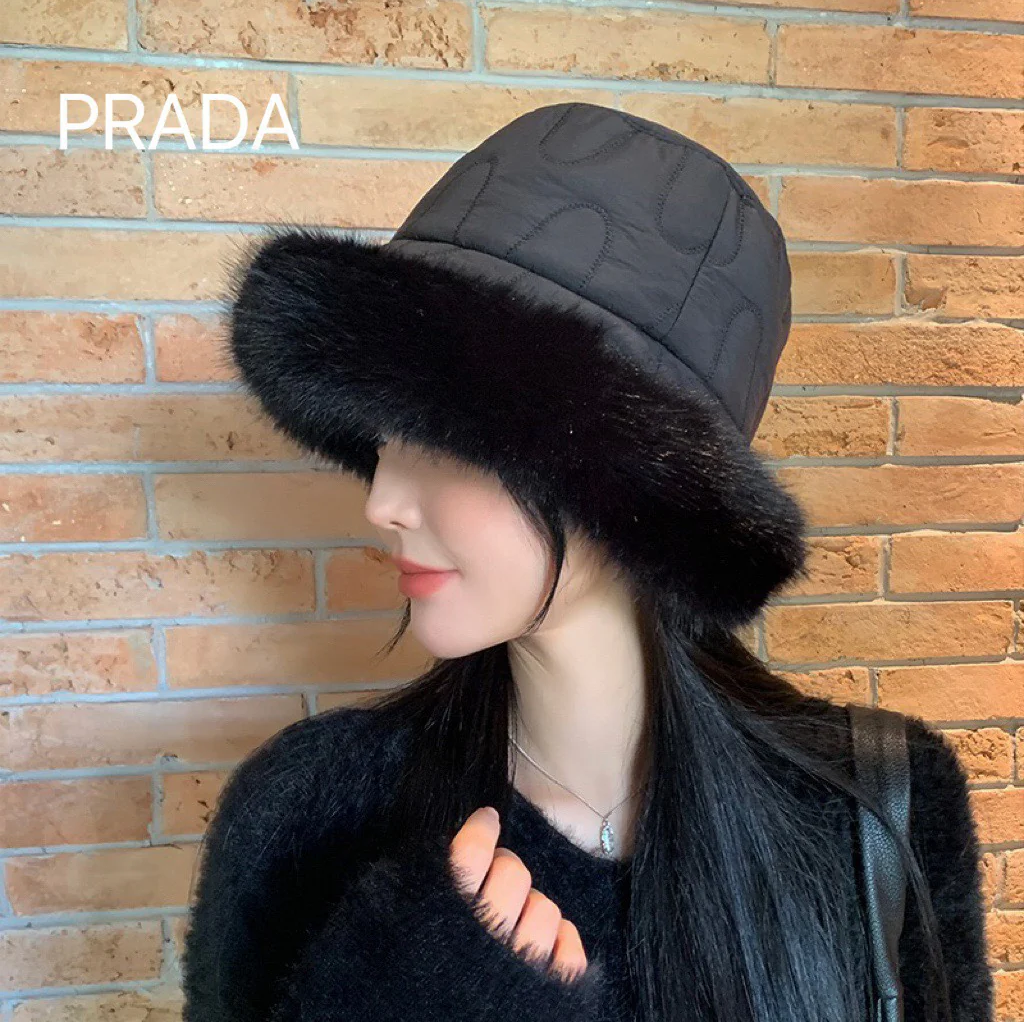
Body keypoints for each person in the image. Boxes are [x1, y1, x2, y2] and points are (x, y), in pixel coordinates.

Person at [181, 101, 993, 1022]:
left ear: (623, 481)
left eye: (444, 437)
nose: (382, 501)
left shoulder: (874, 812)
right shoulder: (311, 810)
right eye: (385, 433)